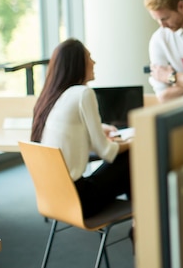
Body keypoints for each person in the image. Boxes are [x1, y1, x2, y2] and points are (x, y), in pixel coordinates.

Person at [30, 38, 132, 219]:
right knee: (132, 157)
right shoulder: (83, 93)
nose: (94, 62)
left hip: (55, 199)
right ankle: (143, 224)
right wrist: (133, 141)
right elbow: (107, 152)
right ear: (77, 64)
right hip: (81, 200)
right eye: (89, 57)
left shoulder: (52, 98)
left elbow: (70, 133)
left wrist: (101, 130)